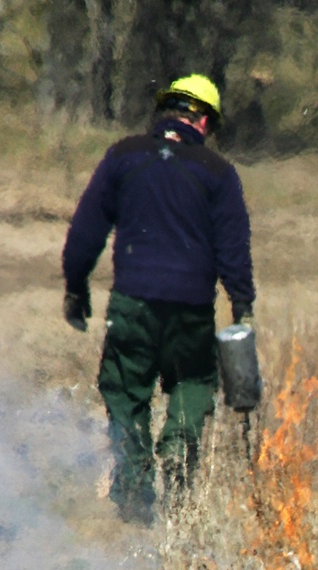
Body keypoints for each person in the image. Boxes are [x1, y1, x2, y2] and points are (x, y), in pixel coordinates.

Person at [62, 74, 255, 522]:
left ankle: (133, 500)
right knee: (193, 383)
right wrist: (241, 303)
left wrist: (76, 287)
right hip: (190, 310)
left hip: (132, 303)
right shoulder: (217, 173)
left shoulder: (124, 157)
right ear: (204, 121)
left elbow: (86, 229)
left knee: (126, 394)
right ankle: (177, 457)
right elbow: (233, 247)